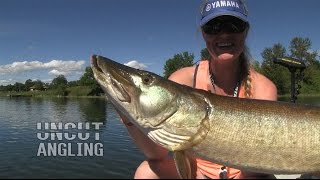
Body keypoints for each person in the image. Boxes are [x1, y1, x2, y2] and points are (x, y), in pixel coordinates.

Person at [119, 0, 278, 178]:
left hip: (247, 174)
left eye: (234, 25)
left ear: (245, 31)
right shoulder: (182, 80)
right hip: (196, 173)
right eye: (213, 26)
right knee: (147, 172)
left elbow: (255, 169)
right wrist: (130, 118)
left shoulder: (264, 87)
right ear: (203, 33)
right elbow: (157, 155)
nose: (224, 34)